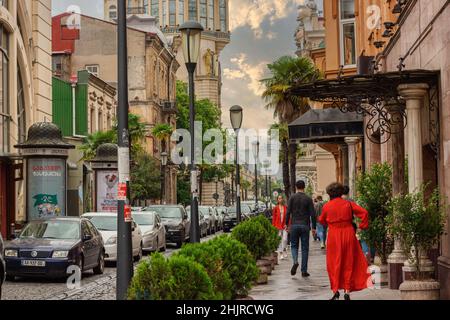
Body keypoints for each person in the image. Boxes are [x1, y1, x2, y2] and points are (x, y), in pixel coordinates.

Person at [319, 183, 371, 301]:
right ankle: (347, 291)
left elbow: (322, 220)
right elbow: (364, 213)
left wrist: (330, 222)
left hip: (333, 235)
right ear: (341, 192)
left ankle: (335, 291)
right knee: (349, 262)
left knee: (333, 263)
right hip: (348, 234)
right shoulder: (348, 204)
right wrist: (362, 226)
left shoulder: (327, 206)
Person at [286, 180, 316, 277]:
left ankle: (295, 261)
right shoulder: (308, 198)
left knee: (294, 246)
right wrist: (314, 227)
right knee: (304, 248)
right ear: (304, 187)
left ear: (296, 187)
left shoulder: (292, 198)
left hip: (294, 225)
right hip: (305, 225)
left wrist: (287, 224)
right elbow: (313, 214)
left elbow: (288, 212)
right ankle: (304, 271)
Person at [272, 195, 288, 260]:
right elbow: (274, 218)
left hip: (284, 225)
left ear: (283, 199)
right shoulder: (275, 208)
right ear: (277, 200)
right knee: (279, 240)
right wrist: (273, 226)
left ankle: (284, 249)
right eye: (279, 198)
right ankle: (281, 253)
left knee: (285, 239)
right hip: (277, 225)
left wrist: (287, 225)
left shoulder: (285, 207)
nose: (280, 199)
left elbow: (288, 217)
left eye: (281, 198)